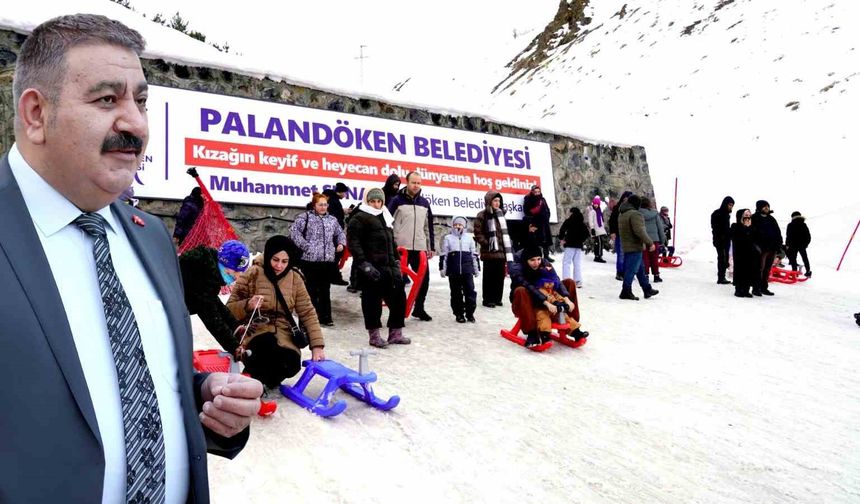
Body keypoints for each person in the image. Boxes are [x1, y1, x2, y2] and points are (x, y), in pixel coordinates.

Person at [1, 14, 260, 502]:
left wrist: (202, 397)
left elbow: (137, 378)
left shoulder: (151, 238)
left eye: (141, 101)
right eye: (106, 99)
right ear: (36, 114)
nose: (136, 123)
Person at [226, 235, 325, 387]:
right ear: (268, 255)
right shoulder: (253, 273)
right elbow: (228, 311)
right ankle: (253, 385)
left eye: (284, 261)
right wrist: (247, 305)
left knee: (291, 363)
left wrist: (317, 346)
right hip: (256, 330)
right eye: (275, 259)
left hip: (284, 332)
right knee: (265, 350)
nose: (279, 266)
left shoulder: (295, 279)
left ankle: (259, 383)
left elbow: (307, 312)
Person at [348, 188, 410, 347]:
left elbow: (391, 243)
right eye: (372, 201)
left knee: (399, 299)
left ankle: (395, 333)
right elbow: (354, 243)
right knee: (372, 303)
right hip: (371, 269)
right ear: (367, 201)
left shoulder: (385, 217)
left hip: (390, 267)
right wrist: (363, 264)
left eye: (379, 201)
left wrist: (396, 261)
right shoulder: (359, 218)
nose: (376, 204)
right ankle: (374, 336)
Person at [179, 240, 251, 353]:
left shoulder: (208, 267)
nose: (237, 277)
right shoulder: (203, 274)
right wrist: (234, 347)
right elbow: (210, 316)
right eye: (236, 271)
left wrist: (235, 327)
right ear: (226, 265)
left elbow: (214, 302)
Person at [509, 248, 588, 348]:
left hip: (548, 299)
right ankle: (532, 333)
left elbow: (556, 280)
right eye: (532, 260)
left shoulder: (544, 263)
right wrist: (546, 302)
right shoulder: (517, 269)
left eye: (538, 259)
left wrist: (567, 299)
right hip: (524, 302)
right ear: (526, 260)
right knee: (521, 290)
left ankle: (573, 327)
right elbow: (530, 287)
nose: (536, 263)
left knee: (569, 282)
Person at [290, 192, 346, 326]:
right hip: (310, 261)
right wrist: (305, 246)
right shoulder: (305, 218)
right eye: (320, 205)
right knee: (311, 289)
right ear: (314, 205)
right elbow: (294, 232)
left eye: (325, 205)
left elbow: (340, 233)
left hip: (327, 260)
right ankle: (311, 317)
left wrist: (340, 243)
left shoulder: (332, 219)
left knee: (325, 289)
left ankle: (326, 317)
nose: (323, 207)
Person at [389, 171, 435, 321]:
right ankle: (398, 310)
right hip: (401, 248)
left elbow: (428, 226)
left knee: (424, 279)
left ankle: (419, 308)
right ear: (407, 183)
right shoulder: (397, 200)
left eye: (419, 183)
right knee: (398, 280)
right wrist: (391, 243)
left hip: (419, 248)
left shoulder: (424, 203)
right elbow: (388, 222)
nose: (416, 186)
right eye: (413, 182)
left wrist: (430, 246)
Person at [474, 190, 514, 308]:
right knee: (489, 277)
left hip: (501, 252)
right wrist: (487, 243)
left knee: (499, 276)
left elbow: (504, 234)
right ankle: (488, 299)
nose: (497, 203)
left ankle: (497, 298)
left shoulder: (501, 215)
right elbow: (478, 232)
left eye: (499, 201)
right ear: (489, 201)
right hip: (489, 251)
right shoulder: (482, 215)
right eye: (495, 201)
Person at [618, 195, 659, 300]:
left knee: (640, 270)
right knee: (631, 270)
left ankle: (647, 289)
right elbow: (640, 231)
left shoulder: (622, 214)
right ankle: (625, 291)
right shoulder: (635, 214)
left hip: (627, 245)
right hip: (635, 246)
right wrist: (650, 243)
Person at [440, 216, 479, 323]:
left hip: (467, 271)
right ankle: (459, 314)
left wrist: (476, 269)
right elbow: (444, 255)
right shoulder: (448, 238)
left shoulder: (469, 238)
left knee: (470, 292)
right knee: (456, 294)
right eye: (456, 224)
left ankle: (470, 313)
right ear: (452, 225)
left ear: (464, 226)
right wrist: (442, 268)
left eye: (460, 224)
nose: (458, 226)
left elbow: (474, 254)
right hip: (454, 271)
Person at [751, 199, 782, 296]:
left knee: (767, 269)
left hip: (772, 248)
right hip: (761, 248)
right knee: (759, 268)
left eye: (768, 206)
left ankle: (764, 288)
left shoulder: (772, 219)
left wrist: (779, 245)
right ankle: (756, 288)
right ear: (759, 207)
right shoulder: (754, 218)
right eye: (764, 206)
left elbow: (778, 233)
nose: (766, 208)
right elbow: (752, 233)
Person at [322, 181, 351, 286]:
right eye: (345, 193)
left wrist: (344, 211)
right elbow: (334, 217)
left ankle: (332, 276)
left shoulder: (333, 200)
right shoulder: (334, 201)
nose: (345, 195)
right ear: (341, 192)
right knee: (336, 255)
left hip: (332, 233)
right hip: (334, 234)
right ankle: (334, 277)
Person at [558, 207, 589, 287]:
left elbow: (562, 230)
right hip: (578, 246)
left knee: (566, 263)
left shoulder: (569, 221)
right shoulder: (581, 222)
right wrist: (581, 240)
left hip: (569, 245)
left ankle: (566, 281)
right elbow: (586, 233)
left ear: (572, 213)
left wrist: (562, 239)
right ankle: (578, 281)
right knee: (577, 263)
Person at [730, 209, 758, 298]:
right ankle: (738, 289)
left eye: (749, 214)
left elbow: (754, 238)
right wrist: (745, 228)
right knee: (740, 270)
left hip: (750, 252)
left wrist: (749, 228)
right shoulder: (735, 226)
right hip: (739, 252)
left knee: (749, 270)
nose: (748, 216)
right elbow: (737, 238)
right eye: (746, 214)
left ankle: (746, 290)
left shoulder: (753, 227)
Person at [523, 185, 553, 261]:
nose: (537, 193)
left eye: (538, 192)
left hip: (544, 222)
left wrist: (547, 216)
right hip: (536, 223)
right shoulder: (528, 200)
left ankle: (546, 256)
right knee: (537, 241)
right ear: (532, 192)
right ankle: (537, 256)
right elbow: (526, 211)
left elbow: (547, 209)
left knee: (546, 240)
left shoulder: (542, 199)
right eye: (535, 192)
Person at [639, 197, 666, 283]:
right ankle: (656, 276)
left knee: (645, 258)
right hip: (654, 239)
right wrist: (662, 240)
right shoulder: (655, 214)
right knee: (654, 258)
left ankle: (646, 275)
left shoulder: (638, 213)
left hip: (643, 239)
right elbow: (660, 228)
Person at [608, 191, 633, 280]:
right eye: (626, 198)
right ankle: (620, 273)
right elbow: (612, 221)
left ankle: (627, 272)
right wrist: (613, 232)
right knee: (621, 254)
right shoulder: (617, 208)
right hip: (620, 233)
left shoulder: (632, 209)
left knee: (629, 255)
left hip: (629, 235)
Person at [711, 196, 735, 285]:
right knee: (722, 258)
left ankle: (722, 276)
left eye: (732, 205)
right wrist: (721, 237)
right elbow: (716, 228)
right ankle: (721, 278)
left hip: (726, 240)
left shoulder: (726, 215)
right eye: (729, 205)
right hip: (720, 240)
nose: (731, 207)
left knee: (725, 258)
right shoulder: (717, 213)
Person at [785, 210, 812, 277]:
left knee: (793, 259)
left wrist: (787, 244)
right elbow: (808, 236)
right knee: (805, 258)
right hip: (802, 245)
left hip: (793, 245)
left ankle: (794, 273)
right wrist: (806, 244)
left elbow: (788, 236)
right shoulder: (804, 225)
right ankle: (808, 271)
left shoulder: (790, 225)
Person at [586, 196, 608, 263]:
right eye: (595, 204)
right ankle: (597, 256)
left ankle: (599, 256)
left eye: (597, 204)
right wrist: (592, 228)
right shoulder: (592, 211)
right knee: (598, 243)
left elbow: (601, 221)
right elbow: (591, 220)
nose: (596, 205)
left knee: (600, 243)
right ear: (593, 204)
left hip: (600, 230)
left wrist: (603, 228)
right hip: (596, 230)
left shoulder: (599, 211)